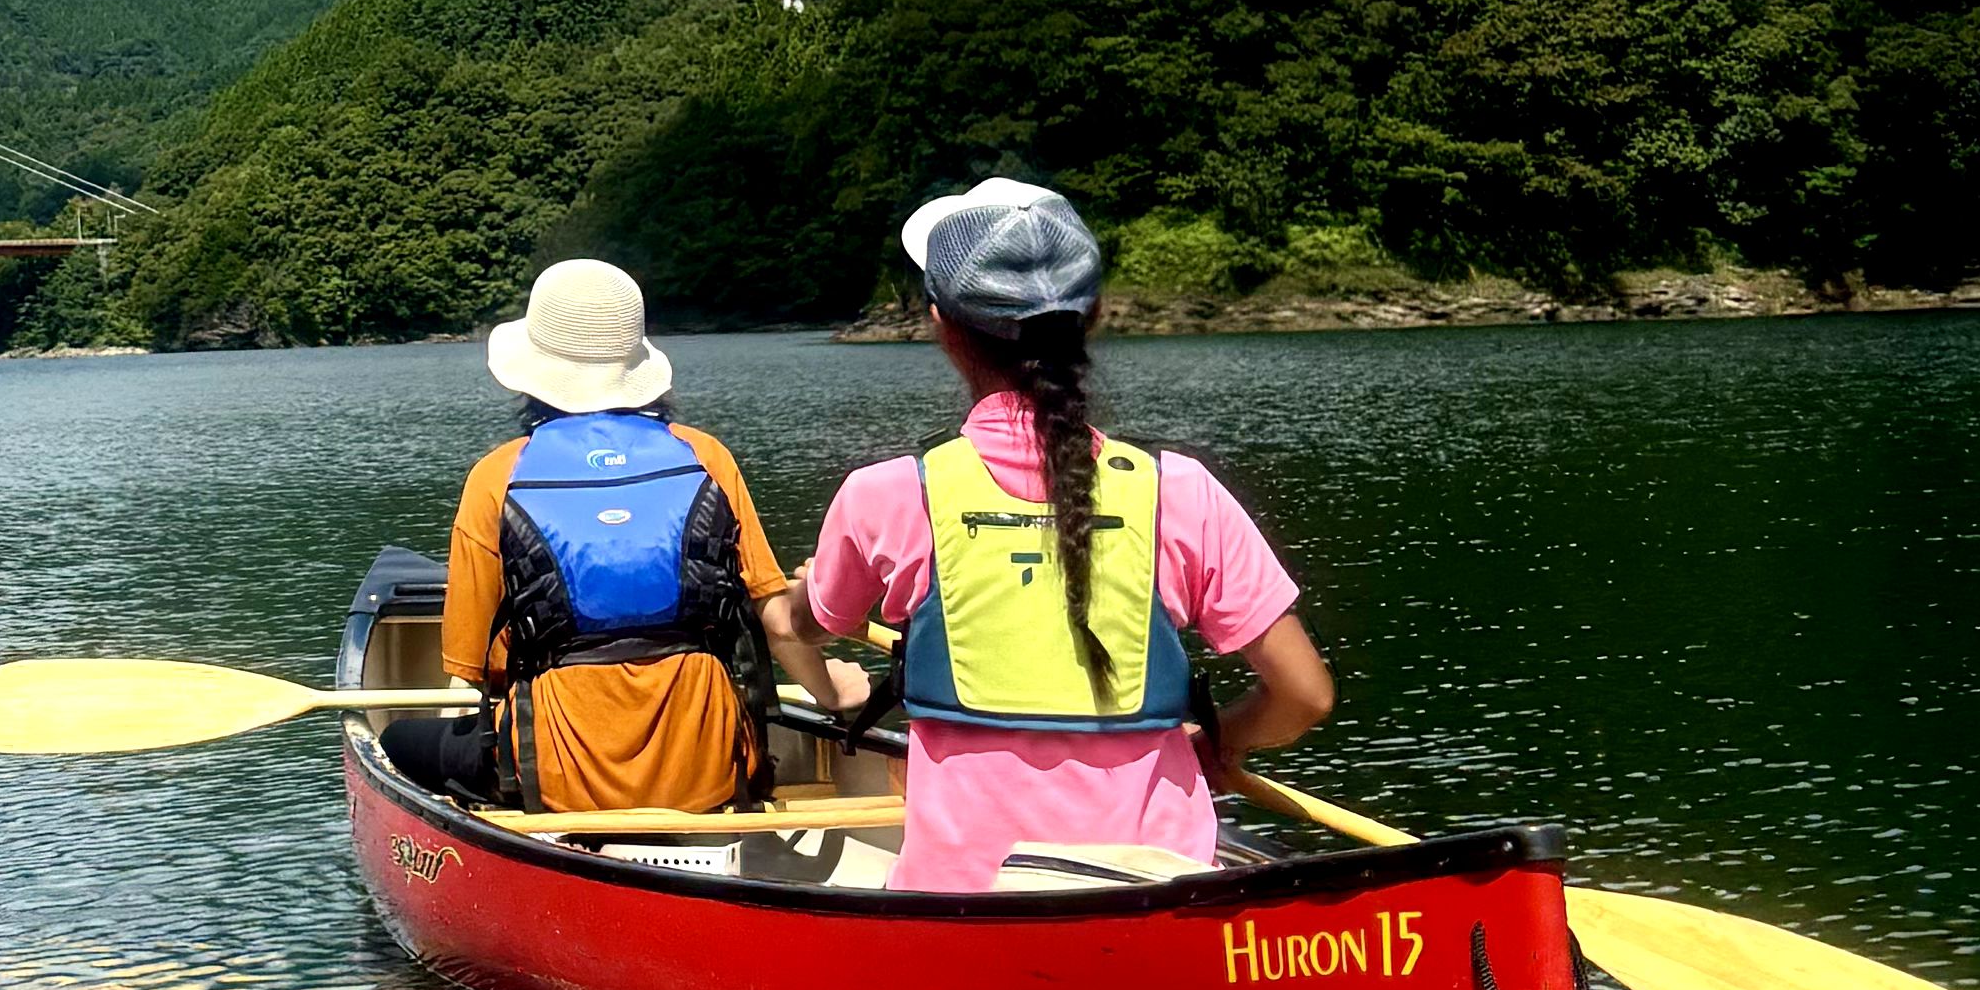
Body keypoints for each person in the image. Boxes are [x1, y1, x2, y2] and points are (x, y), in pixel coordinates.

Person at [800, 175, 1333, 892]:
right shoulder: (1182, 491)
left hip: (962, 897)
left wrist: (794, 605)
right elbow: (1304, 696)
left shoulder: (886, 495)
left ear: (940, 325)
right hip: (1159, 885)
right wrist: (1219, 742)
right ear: (1096, 315)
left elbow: (819, 621)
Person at [392, 255, 848, 819]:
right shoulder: (706, 458)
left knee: (398, 743)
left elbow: (473, 665)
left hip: (554, 778)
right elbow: (779, 623)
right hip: (711, 769)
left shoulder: (497, 477)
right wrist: (833, 693)